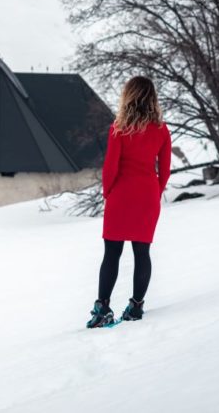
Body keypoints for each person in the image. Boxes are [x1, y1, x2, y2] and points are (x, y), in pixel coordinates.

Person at [86, 76, 172, 328]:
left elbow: (110, 166)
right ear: (152, 97)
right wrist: (154, 193)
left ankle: (102, 308)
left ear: (129, 96)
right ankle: (136, 306)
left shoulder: (119, 128)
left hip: (121, 195)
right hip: (147, 195)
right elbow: (164, 170)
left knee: (111, 253)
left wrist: (108, 193)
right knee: (141, 252)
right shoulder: (162, 130)